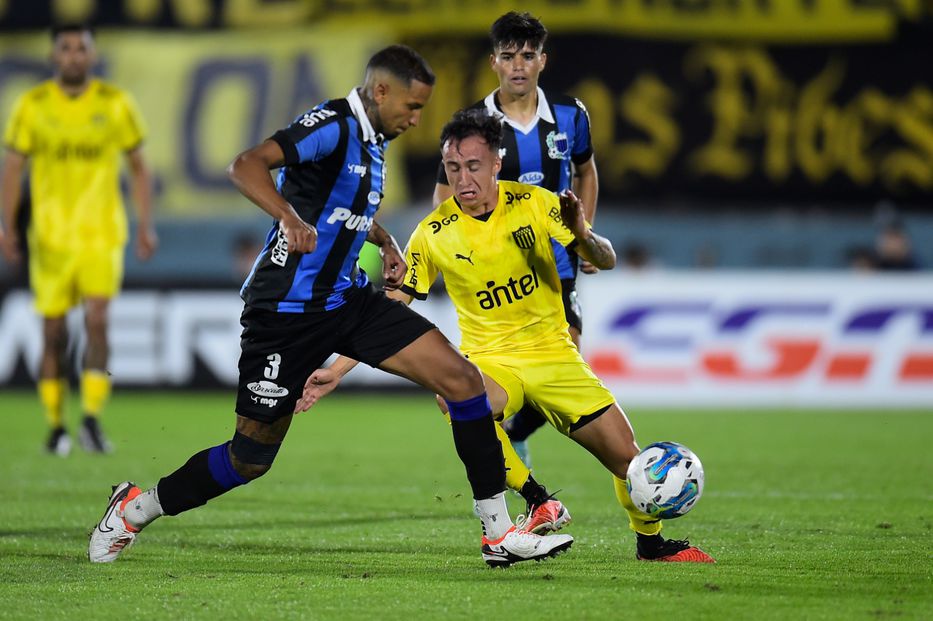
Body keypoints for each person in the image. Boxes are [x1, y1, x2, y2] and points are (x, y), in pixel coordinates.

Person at [87, 46, 572, 568]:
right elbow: (245, 165)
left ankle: (497, 534)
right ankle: (136, 509)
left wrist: (385, 241)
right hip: (284, 315)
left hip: (348, 301)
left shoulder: (374, 142)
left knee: (462, 381)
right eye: (411, 107)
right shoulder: (333, 125)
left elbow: (345, 210)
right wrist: (287, 217)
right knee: (249, 459)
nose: (415, 120)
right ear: (381, 91)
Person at [298, 109, 714, 563]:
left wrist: (579, 232)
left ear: (496, 161)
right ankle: (538, 499)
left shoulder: (534, 203)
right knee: (456, 397)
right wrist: (335, 369)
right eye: (453, 168)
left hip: (555, 357)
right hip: (492, 360)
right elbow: (391, 309)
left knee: (628, 462)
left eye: (473, 166)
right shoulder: (433, 232)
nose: (463, 179)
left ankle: (650, 543)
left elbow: (606, 257)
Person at [433, 12, 599, 470]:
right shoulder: (471, 123)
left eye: (528, 55)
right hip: (495, 275)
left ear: (543, 60)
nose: (518, 65)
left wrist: (583, 237)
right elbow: (444, 198)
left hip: (555, 267)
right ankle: (500, 466)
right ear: (494, 62)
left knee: (564, 370)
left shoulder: (571, 114)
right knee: (484, 384)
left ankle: (513, 439)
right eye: (509, 57)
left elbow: (586, 171)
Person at [0, 23, 157, 456]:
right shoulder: (32, 105)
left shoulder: (115, 103)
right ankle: (55, 424)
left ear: (92, 55)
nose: (73, 55)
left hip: (101, 234)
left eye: (80, 48)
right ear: (54, 56)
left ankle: (90, 418)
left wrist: (146, 225)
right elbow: (12, 167)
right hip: (49, 238)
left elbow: (140, 167)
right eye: (65, 48)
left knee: (98, 321)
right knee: (53, 333)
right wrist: (8, 225)